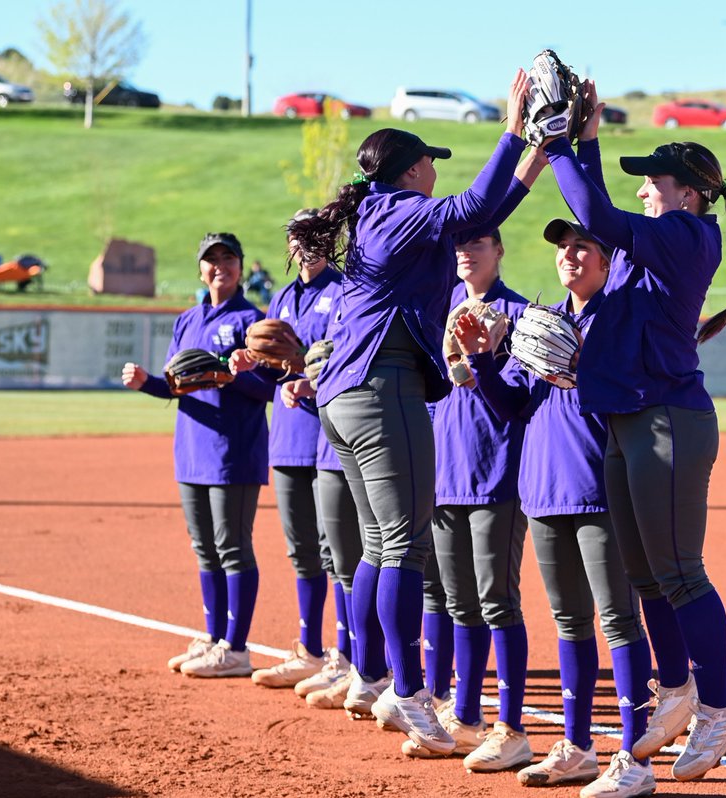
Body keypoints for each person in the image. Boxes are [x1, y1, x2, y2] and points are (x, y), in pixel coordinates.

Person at [285, 69, 532, 757]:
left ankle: (370, 676)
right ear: (413, 169)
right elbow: (475, 206)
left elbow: (482, 213)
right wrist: (512, 132)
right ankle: (409, 690)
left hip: (345, 394)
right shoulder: (400, 210)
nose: (433, 172)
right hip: (379, 386)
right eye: (429, 163)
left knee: (378, 546)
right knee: (405, 546)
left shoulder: (375, 213)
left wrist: (533, 163)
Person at [544, 81, 726, 785]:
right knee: (645, 577)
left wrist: (563, 143)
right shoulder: (657, 239)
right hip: (628, 418)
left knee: (679, 572)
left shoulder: (687, 235)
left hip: (669, 419)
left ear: (690, 193)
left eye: (656, 182)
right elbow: (604, 219)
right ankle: (675, 691)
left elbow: (593, 210)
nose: (646, 191)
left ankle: (723, 705)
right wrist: (587, 139)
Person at [454, 216, 655, 797]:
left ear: (607, 260)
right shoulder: (542, 324)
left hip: (599, 489)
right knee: (569, 620)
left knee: (617, 618)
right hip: (541, 490)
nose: (570, 256)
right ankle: (578, 748)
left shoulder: (617, 321)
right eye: (564, 248)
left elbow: (634, 396)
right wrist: (484, 359)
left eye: (582, 247)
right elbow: (513, 406)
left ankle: (633, 755)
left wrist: (583, 370)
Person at [404, 225, 534, 770]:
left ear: (499, 251)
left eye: (477, 243)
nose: (465, 253)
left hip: (495, 475)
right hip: (447, 473)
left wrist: (482, 361)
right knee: (458, 602)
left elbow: (519, 405)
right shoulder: (447, 304)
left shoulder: (520, 315)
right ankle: (465, 714)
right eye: (459, 245)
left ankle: (510, 726)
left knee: (496, 600)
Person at [121, 232, 275, 678]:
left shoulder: (253, 320)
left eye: (228, 258)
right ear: (200, 269)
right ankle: (213, 638)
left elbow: (267, 388)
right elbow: (177, 383)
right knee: (205, 550)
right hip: (191, 448)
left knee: (232, 548)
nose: (219, 266)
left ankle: (237, 647)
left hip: (233, 451)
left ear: (241, 267)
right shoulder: (187, 320)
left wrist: (232, 377)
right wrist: (146, 381)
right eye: (211, 260)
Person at [239, 210, 364, 700]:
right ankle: (310, 650)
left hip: (329, 437)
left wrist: (299, 366)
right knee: (303, 552)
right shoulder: (283, 296)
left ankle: (349, 655)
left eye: (314, 237)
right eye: (297, 237)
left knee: (340, 555)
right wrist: (253, 364)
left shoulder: (341, 290)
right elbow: (275, 373)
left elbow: (337, 359)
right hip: (290, 437)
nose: (305, 245)